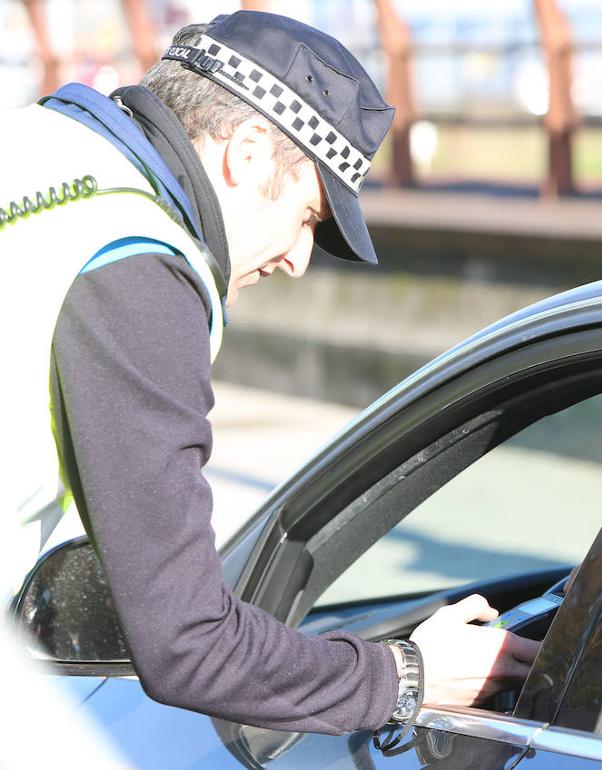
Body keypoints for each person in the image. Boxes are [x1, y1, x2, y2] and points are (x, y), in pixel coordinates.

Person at [0, 11, 539, 735]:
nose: (297, 259)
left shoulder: (37, 147)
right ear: (249, 152)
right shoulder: (137, 267)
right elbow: (187, 642)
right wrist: (405, 675)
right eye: (310, 218)